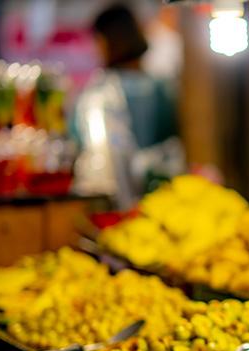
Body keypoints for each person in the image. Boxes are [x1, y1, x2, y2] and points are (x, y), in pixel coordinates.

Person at [73, 3, 182, 208]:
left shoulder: (98, 96)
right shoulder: (162, 88)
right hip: (166, 206)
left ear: (105, 42)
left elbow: (95, 166)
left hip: (115, 211)